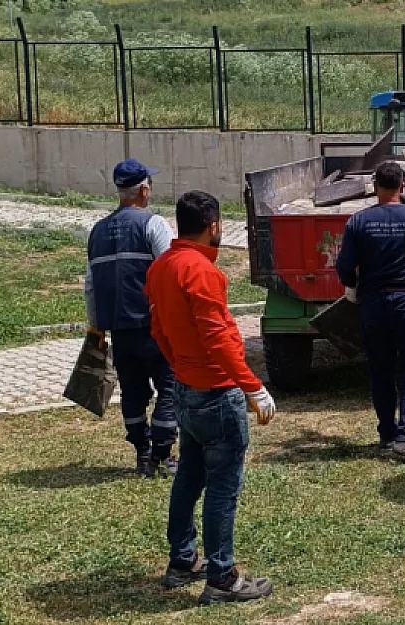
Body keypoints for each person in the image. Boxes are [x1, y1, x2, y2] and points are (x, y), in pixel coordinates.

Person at [145, 190, 278, 604]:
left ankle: (182, 559)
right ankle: (222, 577)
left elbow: (159, 330)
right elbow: (218, 339)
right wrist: (251, 385)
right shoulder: (201, 271)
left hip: (186, 388)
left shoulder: (162, 267)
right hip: (217, 393)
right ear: (215, 226)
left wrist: (181, 367)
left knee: (190, 474)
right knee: (223, 485)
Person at [336, 160, 405, 461]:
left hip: (373, 304)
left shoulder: (357, 221)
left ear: (375, 187)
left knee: (380, 369)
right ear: (402, 186)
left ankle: (387, 434)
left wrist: (351, 285)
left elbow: (344, 265)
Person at [84, 158, 177, 477]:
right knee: (170, 387)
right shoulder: (155, 225)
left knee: (133, 392)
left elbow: (91, 286)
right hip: (154, 328)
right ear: (145, 189)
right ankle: (163, 456)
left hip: (120, 331)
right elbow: (170, 274)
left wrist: (96, 328)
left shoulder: (97, 231)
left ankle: (142, 453)